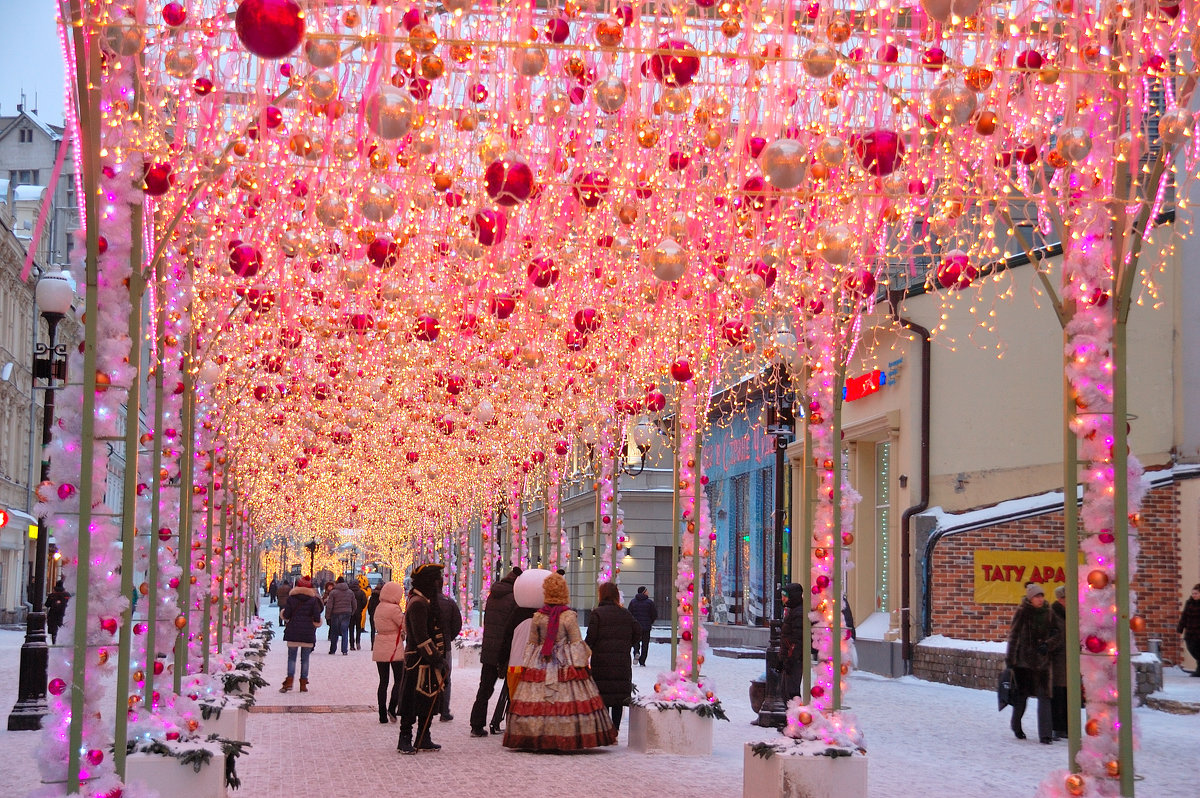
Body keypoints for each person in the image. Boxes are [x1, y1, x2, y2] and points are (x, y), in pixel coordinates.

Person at [503, 572, 617, 751]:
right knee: (569, 697)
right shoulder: (569, 616)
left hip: (540, 660)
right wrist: (581, 663)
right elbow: (576, 642)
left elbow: (532, 644)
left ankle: (535, 734)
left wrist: (528, 664)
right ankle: (567, 733)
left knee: (537, 698)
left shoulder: (538, 616)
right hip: (565, 662)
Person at [397, 564, 447, 754]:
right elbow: (421, 638)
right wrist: (436, 658)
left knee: (428, 700)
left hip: (427, 661)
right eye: (436, 579)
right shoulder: (418, 603)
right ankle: (405, 738)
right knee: (411, 701)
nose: (438, 583)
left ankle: (423, 737)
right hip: (418, 661)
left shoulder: (424, 600)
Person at [470, 567, 525, 738]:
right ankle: (511, 723)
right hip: (507, 649)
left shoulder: (493, 595)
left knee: (485, 688)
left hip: (489, 648)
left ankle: (476, 724)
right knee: (512, 688)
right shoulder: (515, 598)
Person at [1006, 583, 1063, 744]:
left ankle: (1045, 735)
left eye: (1041, 596)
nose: (1040, 599)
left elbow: (1057, 634)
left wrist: (1048, 644)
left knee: (1045, 697)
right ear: (1030, 598)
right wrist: (1010, 660)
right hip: (1023, 664)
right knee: (1021, 697)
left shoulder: (1049, 612)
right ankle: (1016, 724)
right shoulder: (1022, 612)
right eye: (1037, 596)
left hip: (1043, 663)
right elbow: (1014, 636)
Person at [585, 582, 641, 733]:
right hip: (621, 662)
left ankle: (603, 730)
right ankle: (615, 730)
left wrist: (588, 649)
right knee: (617, 698)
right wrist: (626, 644)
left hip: (601, 662)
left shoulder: (597, 613)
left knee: (602, 696)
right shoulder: (625, 613)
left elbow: (590, 638)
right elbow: (638, 631)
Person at [280, 576, 324, 693]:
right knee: (305, 659)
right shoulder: (313, 600)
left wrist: (283, 614)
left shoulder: (291, 598)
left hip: (293, 632)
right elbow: (316, 617)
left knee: (292, 659)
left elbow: (287, 615)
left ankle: (289, 682)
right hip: (307, 633)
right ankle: (303, 684)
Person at [372, 580, 406, 724]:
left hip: (380, 644)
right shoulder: (394, 609)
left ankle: (381, 713)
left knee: (383, 681)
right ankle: (392, 708)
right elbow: (404, 624)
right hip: (394, 646)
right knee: (399, 679)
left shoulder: (379, 607)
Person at [437, 590, 463, 722]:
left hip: (427, 647)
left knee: (427, 677)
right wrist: (449, 637)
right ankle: (444, 710)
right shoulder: (449, 603)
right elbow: (457, 623)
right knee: (445, 678)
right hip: (445, 646)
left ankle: (425, 709)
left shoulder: (423, 601)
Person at [778, 583, 806, 700]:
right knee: (787, 691)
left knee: (791, 693)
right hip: (791, 658)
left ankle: (795, 716)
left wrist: (790, 659)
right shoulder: (793, 611)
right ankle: (792, 716)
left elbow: (797, 639)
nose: (782, 598)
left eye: (785, 596)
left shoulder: (798, 613)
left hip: (794, 659)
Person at [1050, 585, 1069, 739]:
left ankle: (1067, 726)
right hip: (1056, 660)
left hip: (1069, 660)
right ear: (1061, 599)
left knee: (1068, 694)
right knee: (1057, 694)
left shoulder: (1071, 614)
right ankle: (1057, 727)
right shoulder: (1052, 614)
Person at [325, 577, 355, 655]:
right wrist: (352, 612)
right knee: (345, 631)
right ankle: (344, 650)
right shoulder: (350, 592)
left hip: (336, 613)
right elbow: (354, 604)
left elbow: (329, 605)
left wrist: (327, 615)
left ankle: (333, 650)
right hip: (347, 613)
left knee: (334, 632)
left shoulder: (333, 592)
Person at [628, 586, 657, 667]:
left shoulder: (633, 602)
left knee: (636, 641)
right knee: (645, 644)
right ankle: (642, 661)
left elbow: (629, 613)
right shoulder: (649, 602)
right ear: (644, 592)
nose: (648, 592)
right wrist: (650, 622)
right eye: (647, 591)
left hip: (636, 626)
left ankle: (636, 652)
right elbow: (654, 614)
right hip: (646, 627)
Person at [1177, 583, 1200, 676]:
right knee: (1192, 650)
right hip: (1190, 633)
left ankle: (1199, 671)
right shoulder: (1189, 603)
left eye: (1196, 593)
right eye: (1193, 593)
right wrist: (1180, 628)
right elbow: (1184, 616)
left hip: (1199, 632)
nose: (1194, 595)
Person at [45, 581, 71, 645]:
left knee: (54, 631)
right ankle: (62, 642)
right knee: (64, 629)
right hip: (64, 615)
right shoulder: (67, 595)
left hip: (53, 615)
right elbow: (71, 604)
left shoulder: (52, 595)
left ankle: (54, 642)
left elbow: (47, 604)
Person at [349, 576, 368, 651]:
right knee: (358, 628)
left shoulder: (349, 592)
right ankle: (358, 642)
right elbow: (364, 602)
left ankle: (351, 644)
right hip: (358, 612)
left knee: (351, 629)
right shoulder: (361, 592)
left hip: (350, 612)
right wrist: (360, 609)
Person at [367, 579, 383, 646]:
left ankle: (372, 644)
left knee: (372, 630)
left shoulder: (372, 597)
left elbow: (369, 607)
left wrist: (370, 613)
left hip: (373, 614)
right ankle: (379, 645)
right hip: (380, 616)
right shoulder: (382, 598)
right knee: (381, 631)